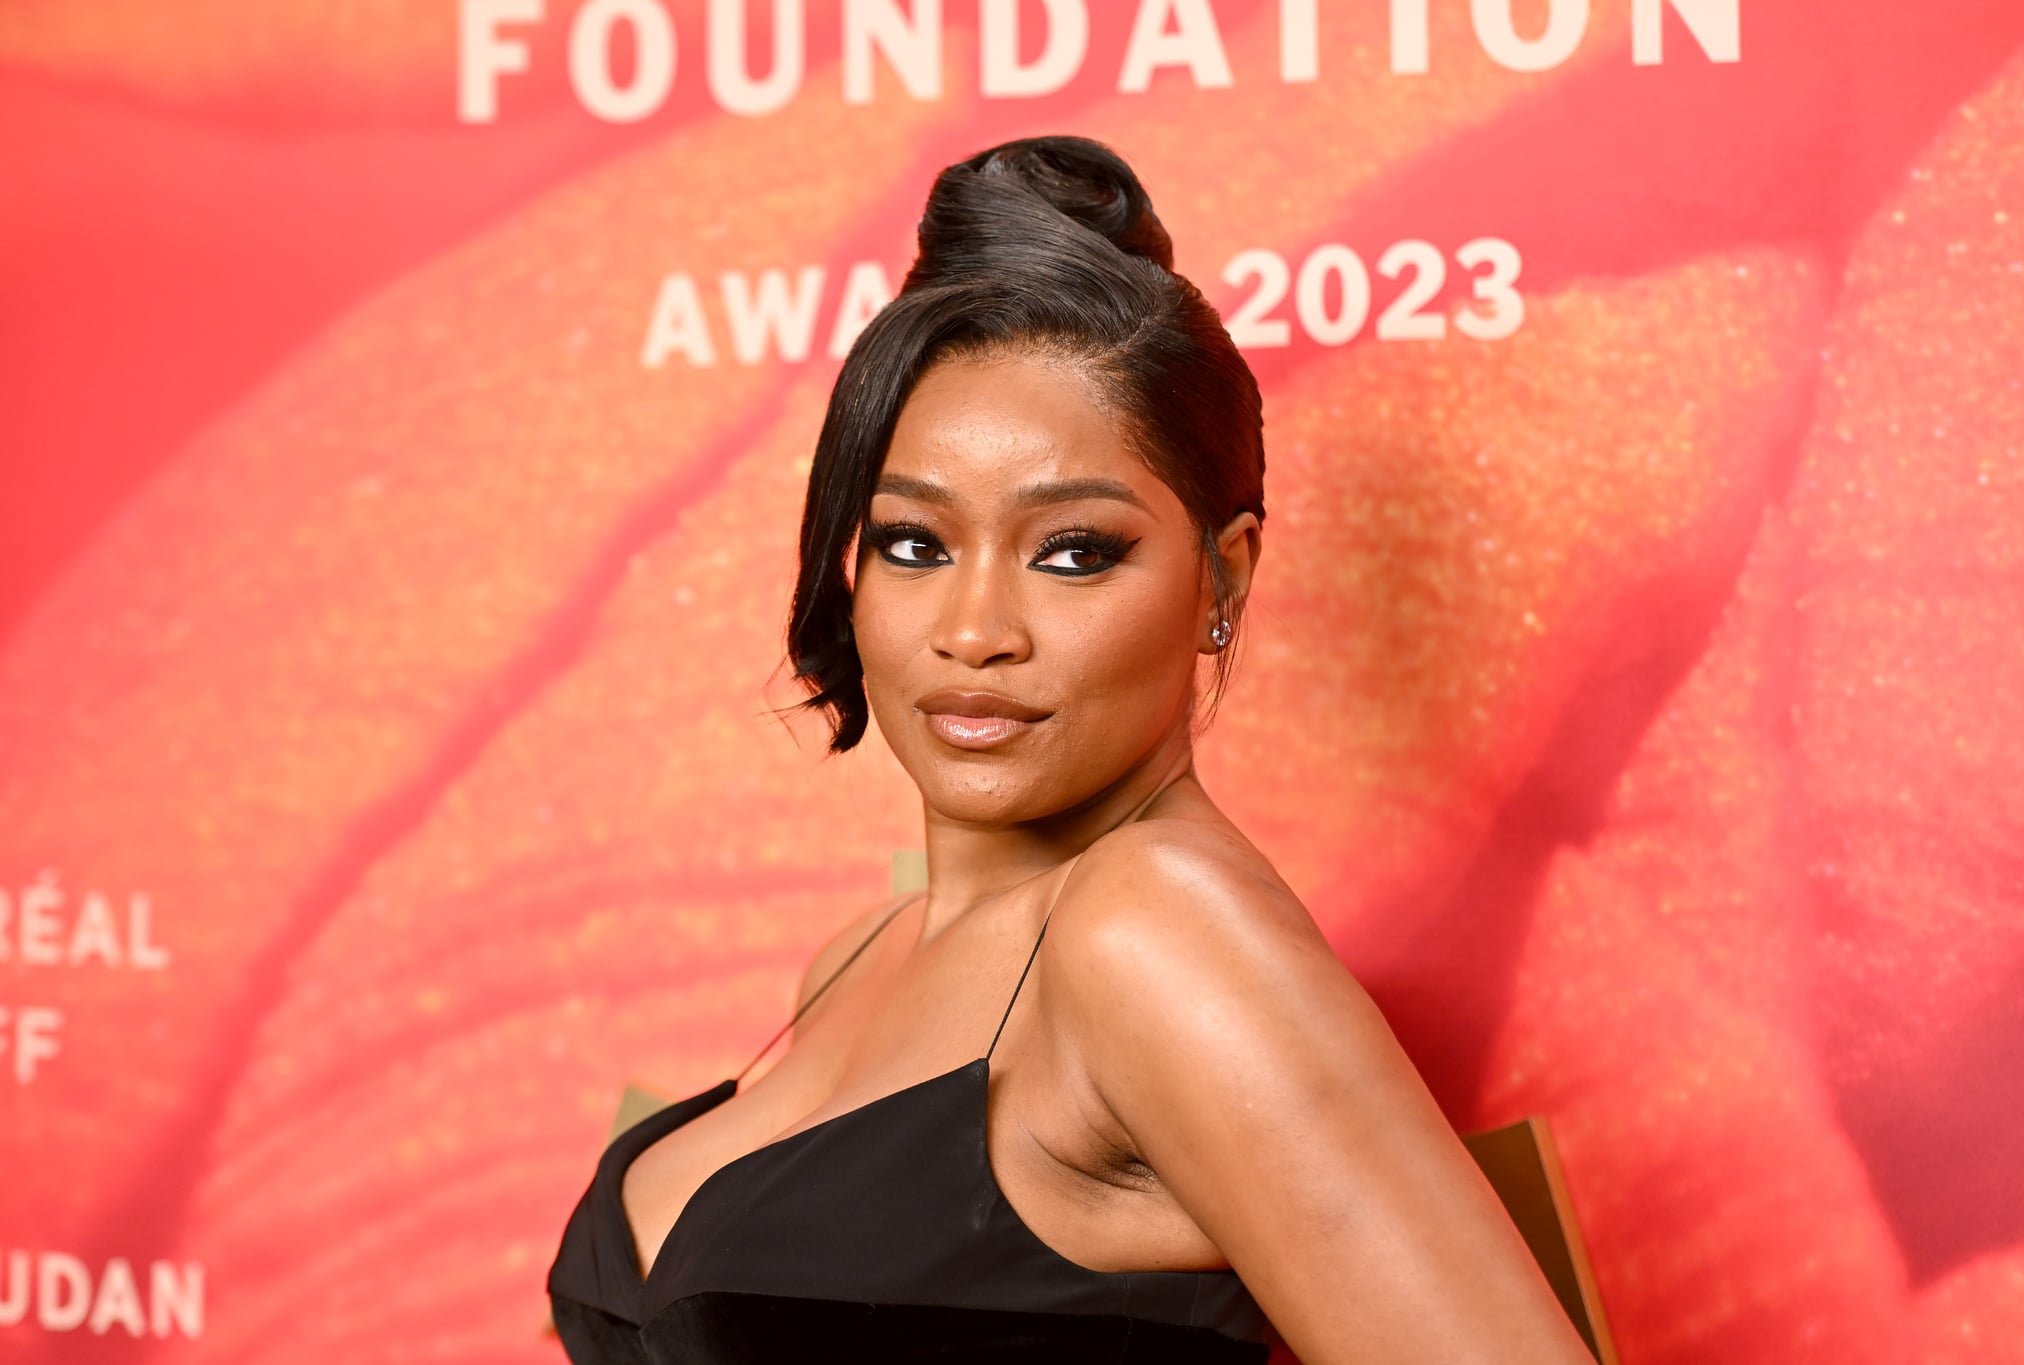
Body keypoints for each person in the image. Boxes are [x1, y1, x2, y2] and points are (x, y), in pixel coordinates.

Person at [547, 134, 1593, 1364]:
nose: (974, 632)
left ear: (1223, 573)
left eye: (1072, 551)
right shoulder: (861, 958)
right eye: (913, 544)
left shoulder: (1154, 933)